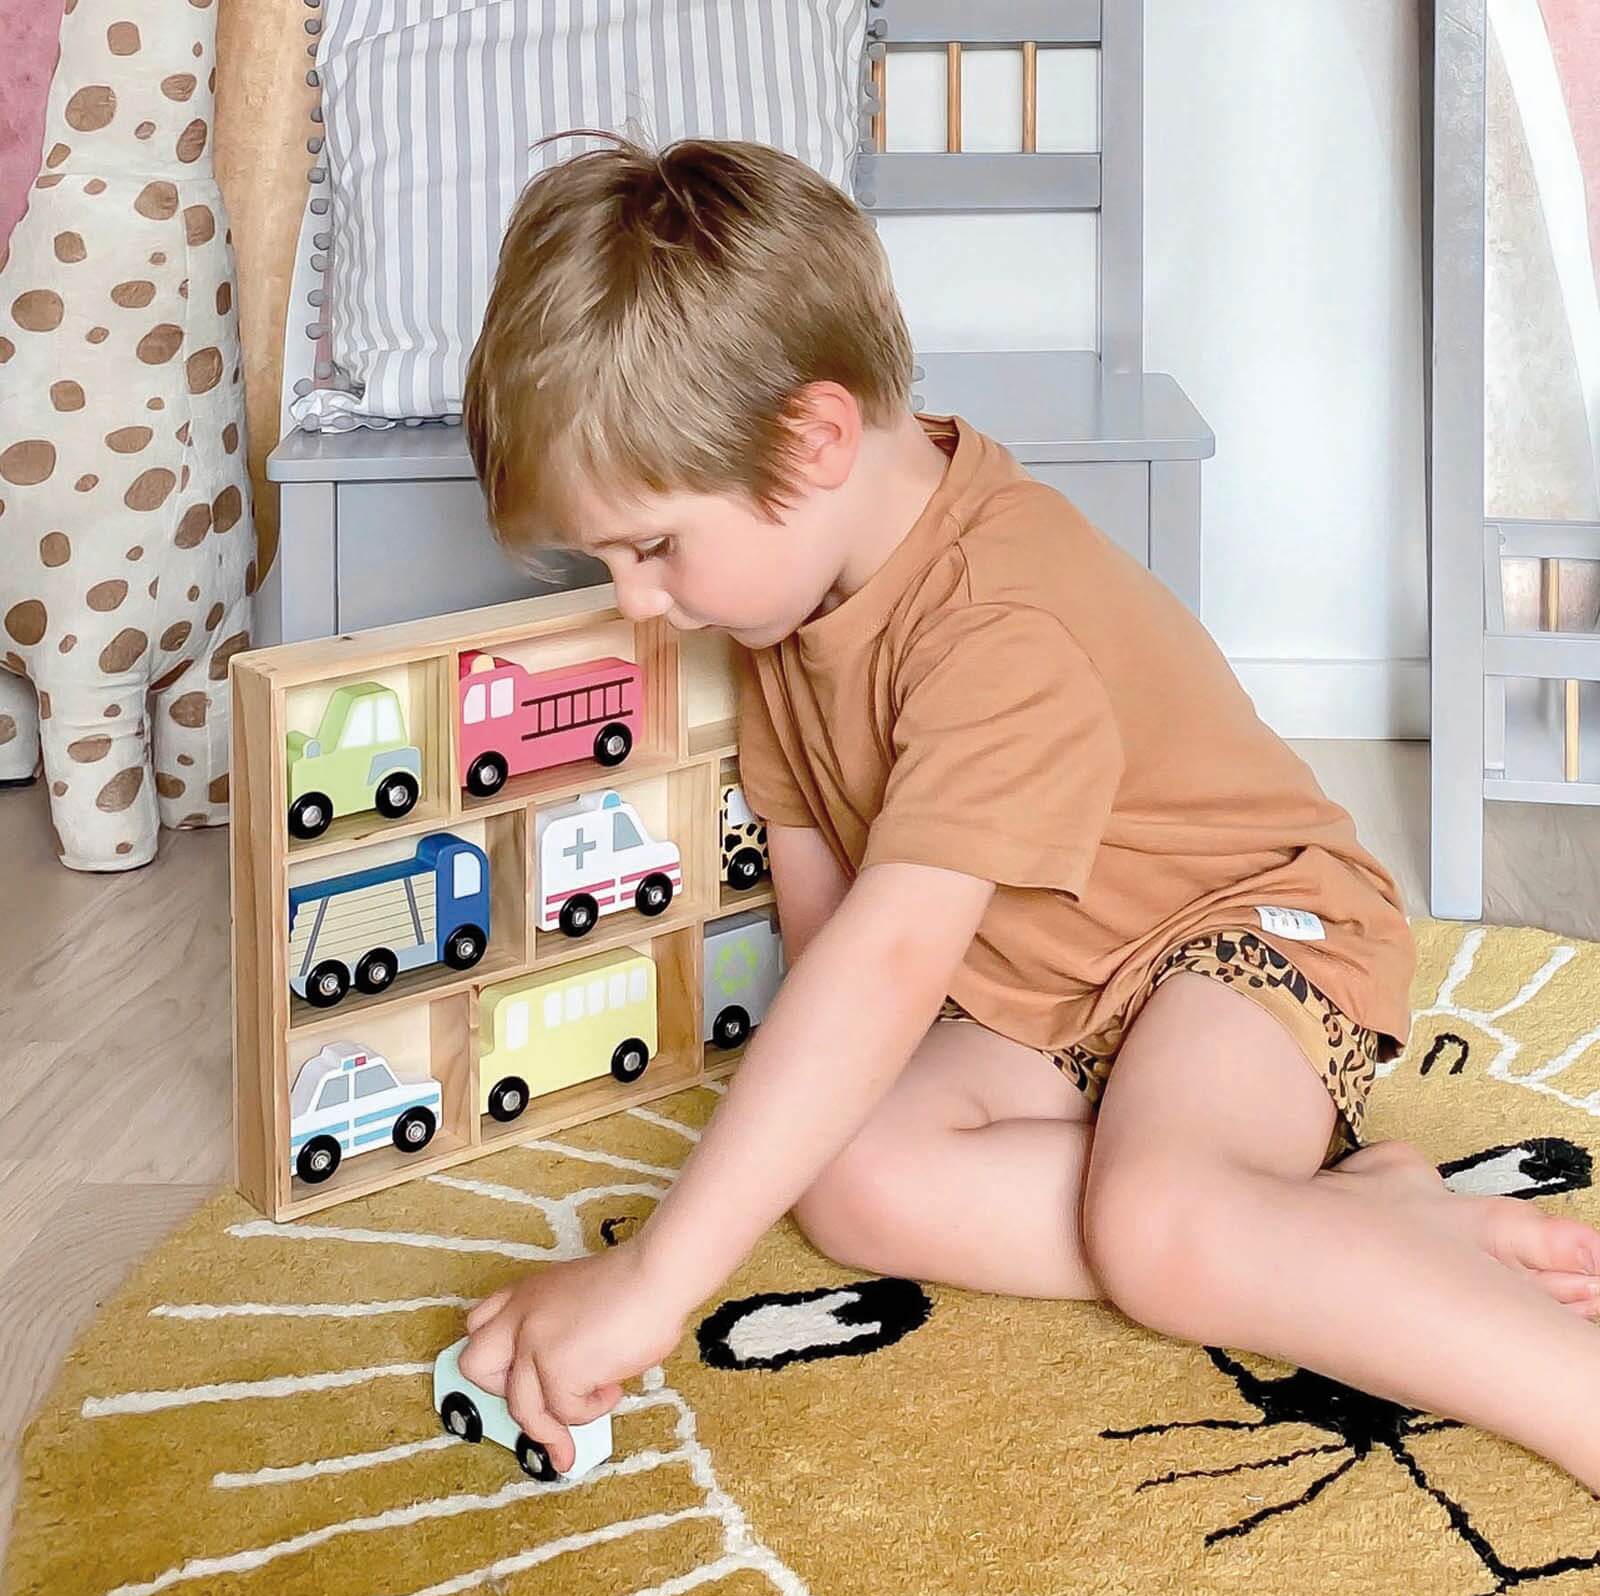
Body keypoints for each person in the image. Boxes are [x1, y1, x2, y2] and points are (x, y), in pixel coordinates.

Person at [458, 131, 1600, 1490]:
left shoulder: (996, 623)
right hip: (1061, 991)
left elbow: (890, 962)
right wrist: (810, 1125)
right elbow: (837, 953)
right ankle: (1335, 1233)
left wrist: (655, 1280)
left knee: (1162, 1222)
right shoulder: (785, 608)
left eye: (651, 545)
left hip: (1248, 940)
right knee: (854, 1180)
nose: (637, 597)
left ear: (812, 438)